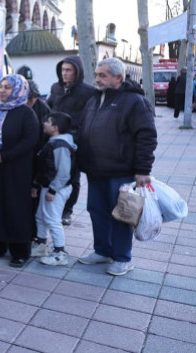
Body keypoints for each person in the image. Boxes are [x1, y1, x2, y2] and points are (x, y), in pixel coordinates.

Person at [77, 58, 157, 276]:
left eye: (102, 75)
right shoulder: (95, 99)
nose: (97, 79)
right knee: (97, 211)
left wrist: (143, 170)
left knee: (122, 215)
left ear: (118, 78)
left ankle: (122, 258)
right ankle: (102, 250)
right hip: (95, 170)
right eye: (96, 75)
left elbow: (147, 136)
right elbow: (83, 128)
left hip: (121, 172)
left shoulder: (134, 101)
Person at [0, 74, 39, 267]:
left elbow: (29, 141)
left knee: (16, 208)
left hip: (16, 170)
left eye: (8, 87)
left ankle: (20, 250)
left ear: (19, 90)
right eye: (1, 86)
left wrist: (3, 157)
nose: (2, 90)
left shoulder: (26, 113)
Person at [47, 55, 97, 226]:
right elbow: (49, 108)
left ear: (77, 72)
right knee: (52, 172)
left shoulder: (88, 92)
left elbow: (90, 118)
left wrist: (76, 138)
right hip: (53, 140)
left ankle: (67, 210)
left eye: (69, 70)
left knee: (72, 177)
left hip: (74, 142)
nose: (65, 73)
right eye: (63, 70)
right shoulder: (55, 88)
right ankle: (52, 204)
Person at [31, 112, 76, 266]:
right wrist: (38, 185)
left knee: (52, 219)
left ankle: (59, 252)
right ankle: (41, 245)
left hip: (56, 188)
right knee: (41, 216)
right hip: (48, 186)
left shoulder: (60, 145)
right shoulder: (54, 142)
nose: (44, 124)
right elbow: (44, 167)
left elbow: (63, 173)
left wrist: (52, 190)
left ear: (55, 127)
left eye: (48, 121)